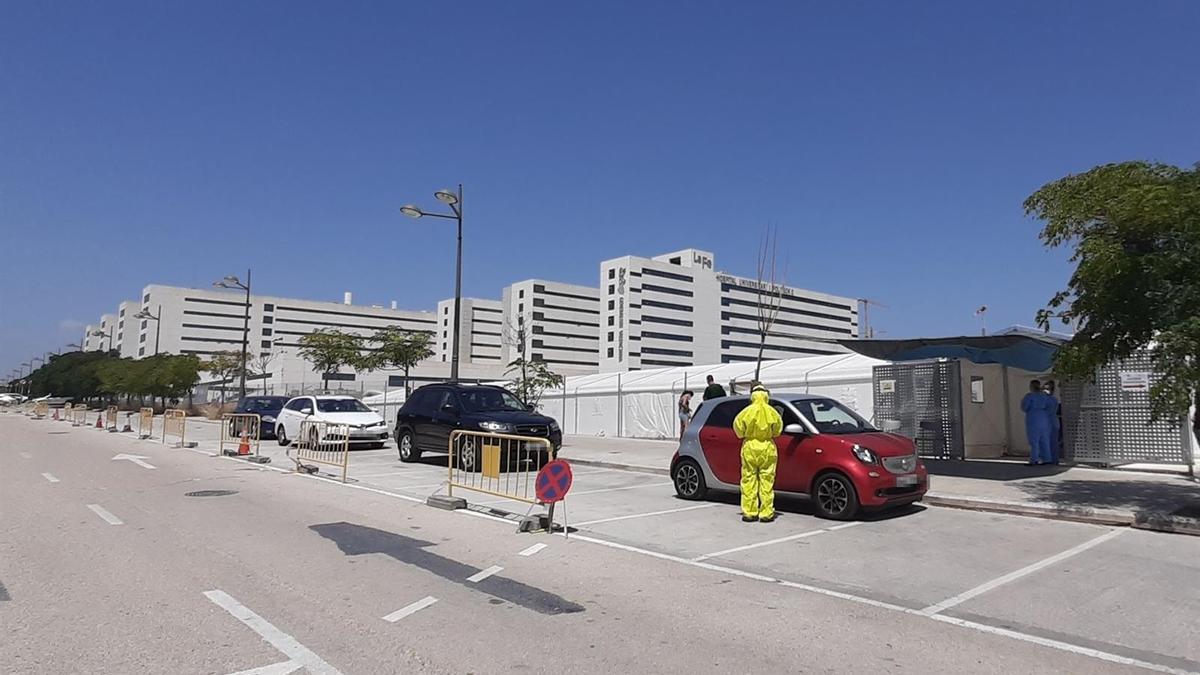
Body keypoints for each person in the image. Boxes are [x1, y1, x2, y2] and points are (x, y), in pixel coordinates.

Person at [733, 384, 783, 522]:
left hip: (750, 447)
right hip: (767, 446)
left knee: (748, 479)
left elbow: (738, 430)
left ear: (752, 396)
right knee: (767, 481)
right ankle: (766, 512)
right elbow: (778, 431)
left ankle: (749, 512)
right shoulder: (773, 412)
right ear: (766, 395)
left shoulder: (746, 412)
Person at [1020, 379, 1053, 465]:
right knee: (1044, 439)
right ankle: (1047, 458)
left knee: (1034, 440)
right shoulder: (1044, 396)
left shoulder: (1029, 396)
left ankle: (1034, 459)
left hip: (1033, 417)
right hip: (1043, 417)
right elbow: (1050, 407)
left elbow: (1024, 407)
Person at [1043, 380, 1062, 464]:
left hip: (1049, 423)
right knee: (1052, 442)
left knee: (1049, 442)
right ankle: (1053, 459)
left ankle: (1049, 459)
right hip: (1052, 422)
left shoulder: (1048, 400)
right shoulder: (1053, 399)